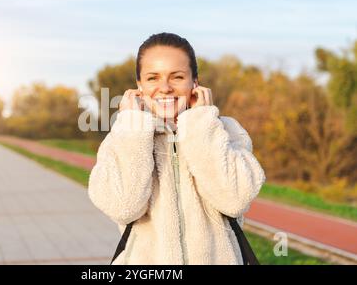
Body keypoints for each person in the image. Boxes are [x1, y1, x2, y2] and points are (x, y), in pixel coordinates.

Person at [88, 32, 266, 265]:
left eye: (177, 77)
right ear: (139, 86)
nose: (165, 88)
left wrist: (201, 124)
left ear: (195, 82)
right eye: (153, 78)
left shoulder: (227, 132)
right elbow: (124, 207)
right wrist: (132, 127)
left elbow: (234, 201)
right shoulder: (122, 138)